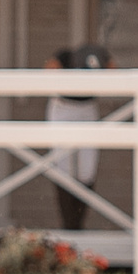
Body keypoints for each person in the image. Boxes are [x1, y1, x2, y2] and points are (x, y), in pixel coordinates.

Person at [44, 44, 109, 232]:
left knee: (86, 169)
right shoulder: (66, 55)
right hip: (63, 105)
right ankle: (68, 224)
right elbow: (48, 71)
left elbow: (114, 72)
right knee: (62, 165)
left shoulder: (101, 54)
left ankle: (78, 224)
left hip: (87, 106)